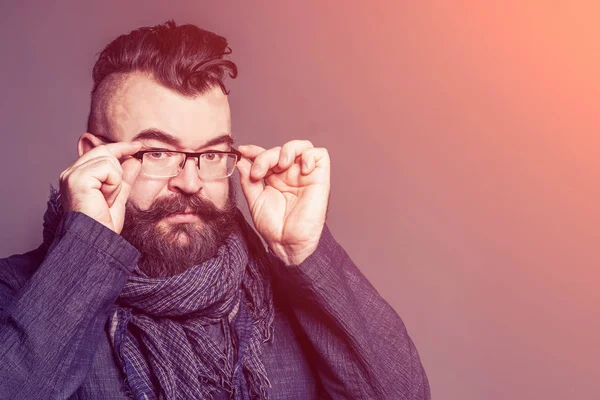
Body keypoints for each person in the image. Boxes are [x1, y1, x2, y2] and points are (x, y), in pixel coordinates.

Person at [0, 21, 430, 400]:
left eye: (211, 154)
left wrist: (304, 252)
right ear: (94, 157)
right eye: (157, 153)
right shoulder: (16, 292)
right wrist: (86, 252)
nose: (190, 184)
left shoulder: (282, 297)